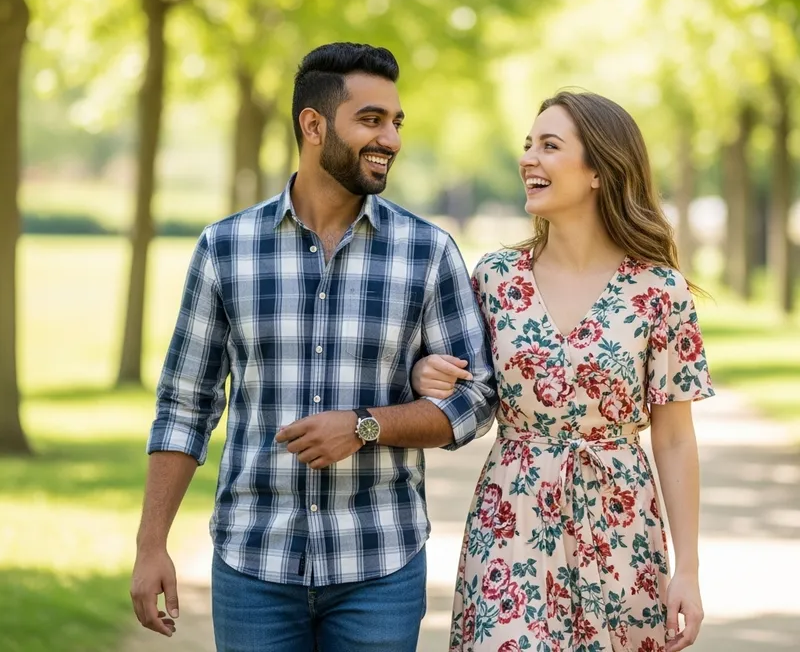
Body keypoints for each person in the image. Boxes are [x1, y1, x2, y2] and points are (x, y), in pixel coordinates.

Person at [129, 42, 497, 652]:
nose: (393, 139)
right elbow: (185, 404)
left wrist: (366, 426)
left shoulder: (428, 252)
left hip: (378, 564)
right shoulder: (225, 249)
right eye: (372, 120)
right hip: (254, 563)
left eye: (397, 122)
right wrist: (151, 545)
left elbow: (478, 400)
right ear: (313, 125)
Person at [412, 90, 714, 652]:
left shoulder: (658, 291)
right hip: (512, 517)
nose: (529, 158)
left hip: (622, 526)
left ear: (600, 169)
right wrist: (428, 371)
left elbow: (674, 438)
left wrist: (689, 571)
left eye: (550, 146)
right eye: (528, 145)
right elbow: (465, 383)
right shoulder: (495, 279)